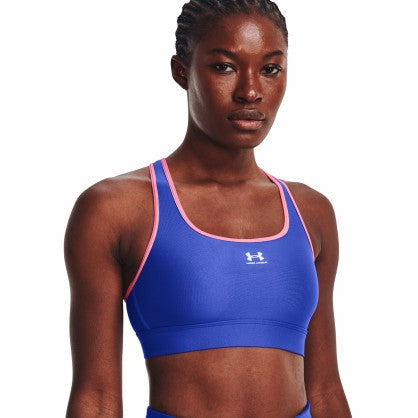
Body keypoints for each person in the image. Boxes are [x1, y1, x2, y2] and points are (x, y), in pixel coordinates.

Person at [64, 1, 351, 417]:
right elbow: (97, 397)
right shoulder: (117, 209)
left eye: (270, 69)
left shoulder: (310, 211)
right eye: (224, 67)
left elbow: (324, 389)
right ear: (181, 71)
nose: (250, 91)